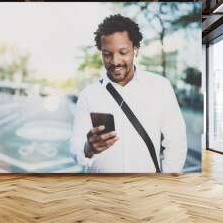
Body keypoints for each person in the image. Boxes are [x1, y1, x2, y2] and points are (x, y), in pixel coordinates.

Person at [70, 14, 187, 173]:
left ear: (135, 50)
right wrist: (88, 148)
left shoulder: (160, 87)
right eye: (107, 54)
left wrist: (167, 182)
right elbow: (75, 145)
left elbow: (176, 142)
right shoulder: (88, 95)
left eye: (123, 52)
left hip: (147, 191)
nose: (115, 61)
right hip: (101, 192)